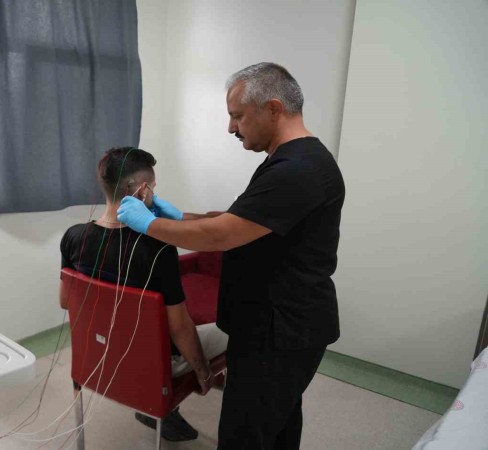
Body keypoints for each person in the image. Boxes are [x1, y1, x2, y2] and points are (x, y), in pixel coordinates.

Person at [117, 62, 345, 450]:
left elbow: (222, 235)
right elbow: (241, 219)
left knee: (245, 434)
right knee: (278, 421)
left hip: (280, 332)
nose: (230, 128)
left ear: (273, 109)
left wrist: (149, 225)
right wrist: (179, 216)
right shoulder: (287, 161)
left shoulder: (298, 169)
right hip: (273, 323)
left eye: (237, 116)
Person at [60, 146, 228, 442]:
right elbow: (180, 328)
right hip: (152, 364)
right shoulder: (158, 248)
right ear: (142, 190)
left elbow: (66, 301)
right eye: (153, 187)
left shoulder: (74, 237)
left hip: (96, 355)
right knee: (237, 329)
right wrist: (203, 372)